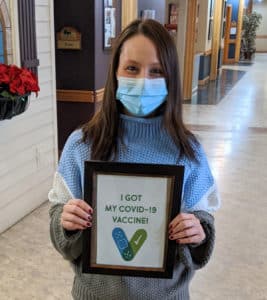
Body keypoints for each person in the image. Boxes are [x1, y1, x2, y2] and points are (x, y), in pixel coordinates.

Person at [48, 19, 220, 300]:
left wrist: (197, 232)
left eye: (156, 71)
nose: (143, 81)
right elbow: (60, 230)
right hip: (94, 294)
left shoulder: (188, 151)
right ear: (114, 73)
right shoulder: (81, 145)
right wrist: (65, 222)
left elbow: (202, 232)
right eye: (131, 68)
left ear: (171, 78)